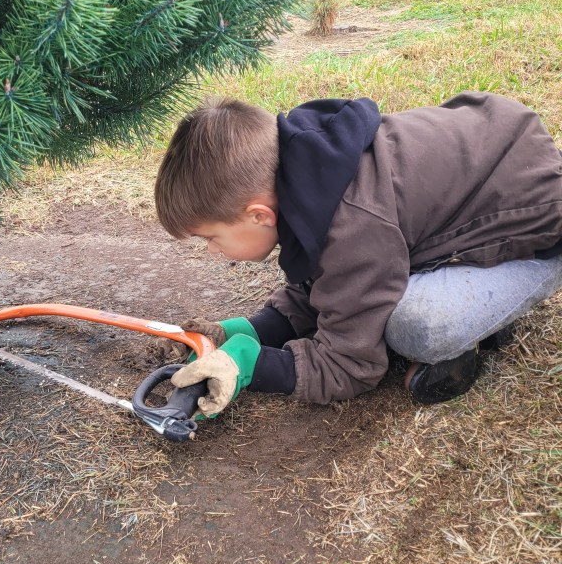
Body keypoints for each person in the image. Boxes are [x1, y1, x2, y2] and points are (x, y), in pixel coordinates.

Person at [153, 93, 562, 418]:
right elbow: (328, 283)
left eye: (209, 236)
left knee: (413, 326)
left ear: (259, 215)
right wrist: (246, 331)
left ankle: (489, 314)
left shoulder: (354, 223)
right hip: (498, 146)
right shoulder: (308, 170)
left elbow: (349, 365)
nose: (211, 250)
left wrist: (248, 366)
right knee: (378, 299)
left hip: (541, 225)